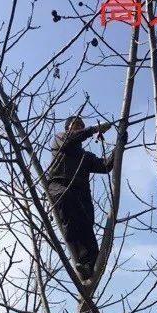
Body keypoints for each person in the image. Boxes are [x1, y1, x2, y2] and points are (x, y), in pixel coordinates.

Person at [46, 114, 125, 280]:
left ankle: (88, 268)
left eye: (82, 125)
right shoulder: (60, 138)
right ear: (67, 128)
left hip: (81, 193)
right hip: (59, 186)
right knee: (68, 201)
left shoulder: (85, 156)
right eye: (76, 124)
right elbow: (69, 141)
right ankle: (75, 243)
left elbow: (105, 166)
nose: (79, 127)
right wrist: (94, 129)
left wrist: (120, 144)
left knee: (87, 227)